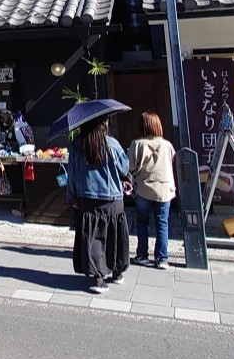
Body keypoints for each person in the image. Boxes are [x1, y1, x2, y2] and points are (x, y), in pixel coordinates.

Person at [66, 117, 131, 294]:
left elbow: (71, 174)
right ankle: (117, 273)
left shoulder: (77, 145)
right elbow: (125, 168)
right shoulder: (112, 144)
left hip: (88, 198)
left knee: (94, 239)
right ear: (103, 125)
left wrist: (72, 197)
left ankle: (99, 278)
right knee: (114, 236)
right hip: (113, 199)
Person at [128, 111, 177, 270]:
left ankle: (142, 255)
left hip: (144, 189)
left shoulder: (138, 144)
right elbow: (172, 162)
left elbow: (129, 166)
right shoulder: (167, 145)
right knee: (162, 224)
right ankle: (162, 258)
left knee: (142, 222)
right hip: (164, 189)